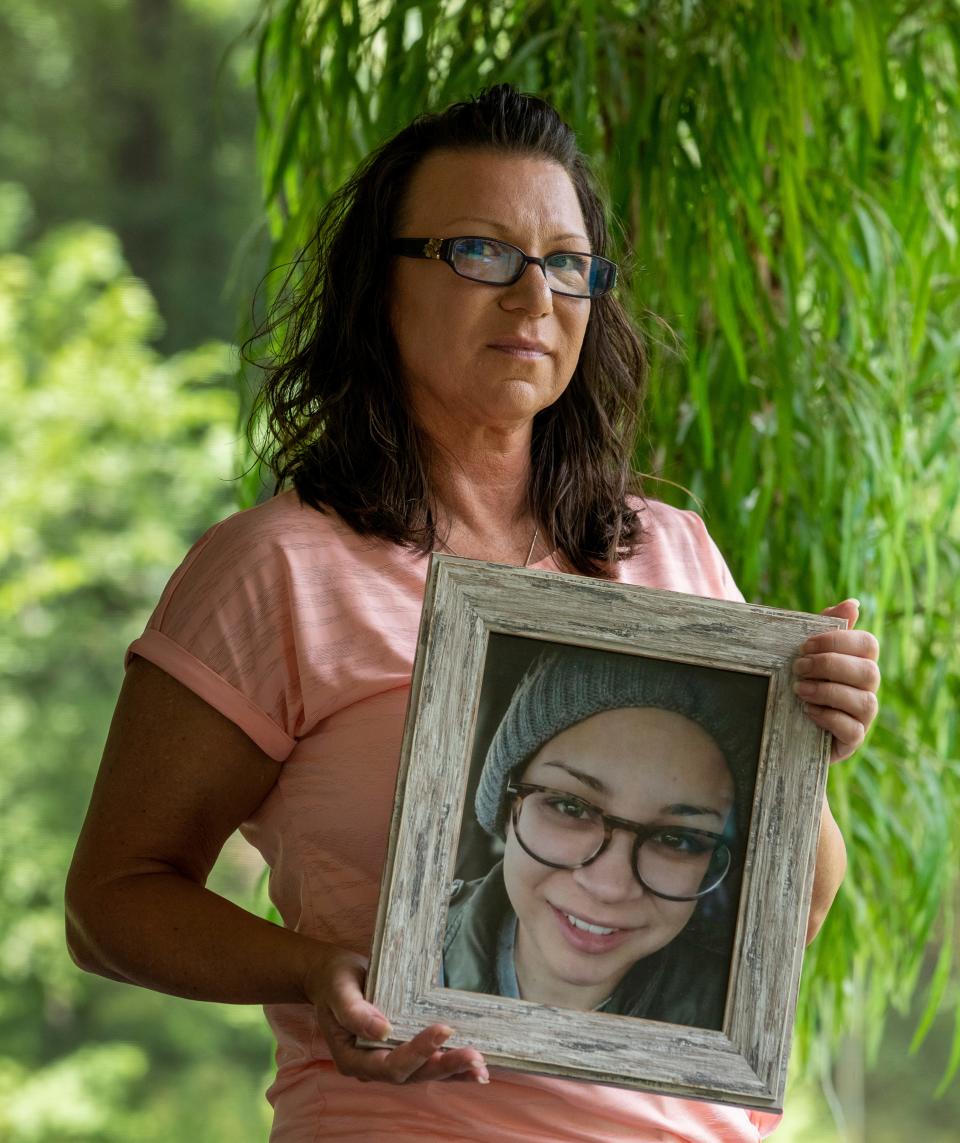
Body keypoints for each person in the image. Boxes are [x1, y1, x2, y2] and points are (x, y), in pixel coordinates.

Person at [65, 85, 881, 1142]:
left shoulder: (671, 551)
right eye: (479, 253)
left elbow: (790, 913)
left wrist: (810, 742)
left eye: (566, 262)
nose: (534, 296)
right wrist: (314, 972)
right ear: (380, 285)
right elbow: (112, 901)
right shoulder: (278, 567)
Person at [444, 649, 761, 1029]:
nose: (609, 886)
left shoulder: (733, 1017)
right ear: (506, 804)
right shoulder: (392, 951)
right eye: (571, 808)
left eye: (678, 839)